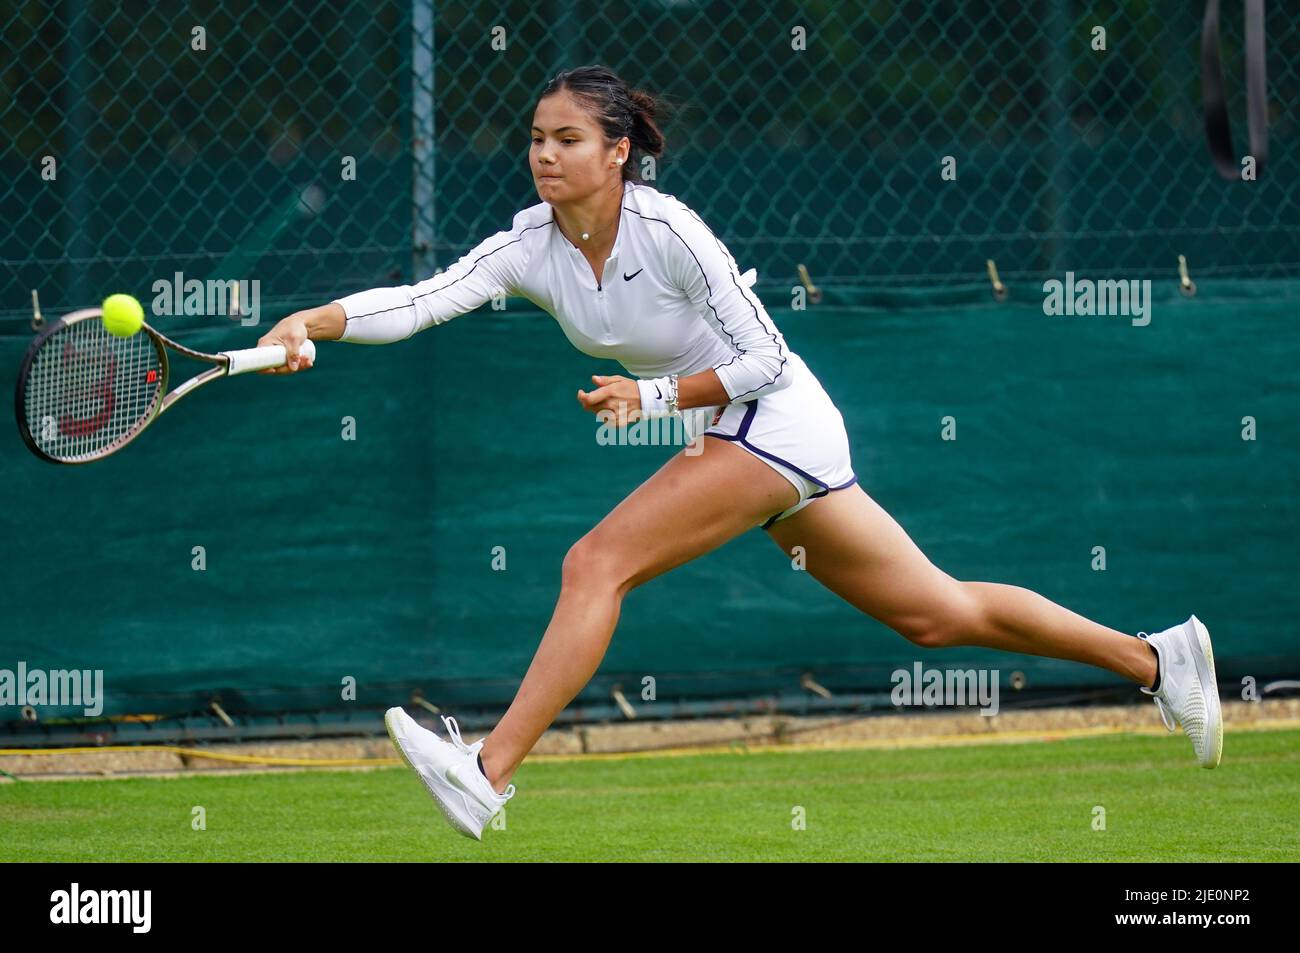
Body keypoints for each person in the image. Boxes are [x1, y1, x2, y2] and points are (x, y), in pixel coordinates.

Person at [257, 65, 1223, 841]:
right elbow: (422, 300)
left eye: (568, 139)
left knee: (596, 562)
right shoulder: (529, 247)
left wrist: (658, 395)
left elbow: (766, 357)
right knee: (936, 613)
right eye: (537, 139)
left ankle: (487, 771)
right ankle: (1157, 661)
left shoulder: (671, 230)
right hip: (738, 432)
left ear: (617, 151)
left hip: (775, 417)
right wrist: (318, 320)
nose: (544, 156)